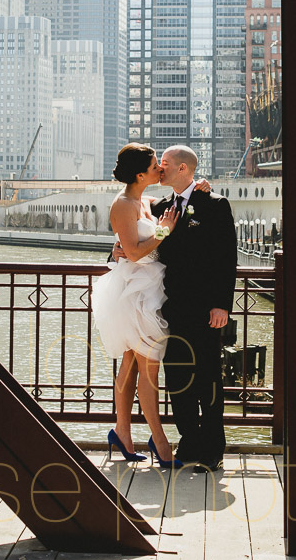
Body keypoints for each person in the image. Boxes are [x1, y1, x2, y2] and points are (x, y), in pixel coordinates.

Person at [92, 143, 210, 468]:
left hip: (149, 293)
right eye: (156, 164)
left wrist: (199, 186)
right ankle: (159, 441)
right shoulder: (123, 204)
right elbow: (132, 252)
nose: (161, 168)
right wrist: (163, 231)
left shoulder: (146, 201)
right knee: (149, 370)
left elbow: (142, 237)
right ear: (141, 174)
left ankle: (122, 432)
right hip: (133, 298)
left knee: (131, 367)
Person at [153, 145, 237, 472]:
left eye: (166, 164)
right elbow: (147, 246)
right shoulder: (160, 207)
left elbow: (226, 258)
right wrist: (117, 252)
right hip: (169, 309)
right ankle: (188, 440)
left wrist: (222, 305)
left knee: (207, 378)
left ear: (184, 169)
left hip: (205, 310)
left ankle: (213, 447)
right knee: (176, 377)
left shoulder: (214, 204)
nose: (160, 170)